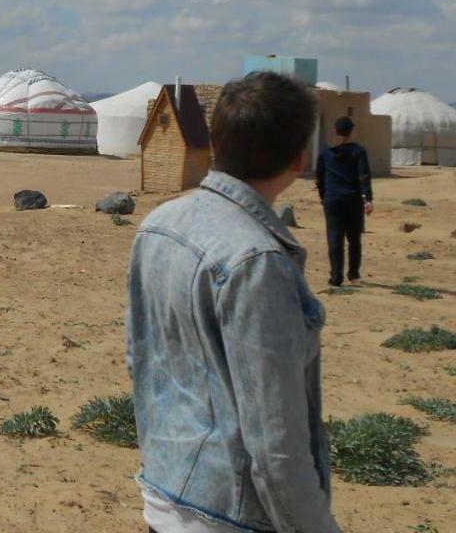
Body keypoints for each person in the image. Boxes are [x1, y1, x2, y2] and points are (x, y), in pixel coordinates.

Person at [127, 72, 339, 533]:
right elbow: (274, 442)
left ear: (215, 142)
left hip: (165, 494)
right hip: (231, 514)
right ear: (300, 158)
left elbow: (141, 361)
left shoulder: (159, 225)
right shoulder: (257, 261)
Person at [315, 117, 373, 287]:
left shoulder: (325, 154)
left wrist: (323, 197)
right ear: (351, 131)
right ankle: (353, 274)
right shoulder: (359, 151)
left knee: (334, 238)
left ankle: (336, 277)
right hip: (353, 199)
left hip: (332, 199)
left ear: (335, 131)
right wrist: (368, 198)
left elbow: (320, 179)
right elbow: (364, 176)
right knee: (354, 238)